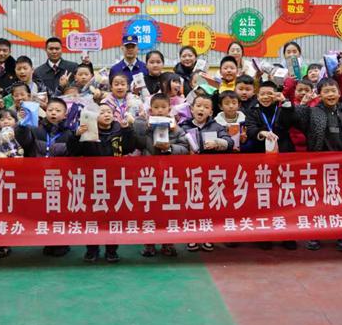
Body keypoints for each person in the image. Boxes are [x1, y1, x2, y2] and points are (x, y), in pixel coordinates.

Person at [280, 78, 342, 252]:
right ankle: (315, 235)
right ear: (319, 94)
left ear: (339, 93)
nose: (330, 95)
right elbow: (292, 120)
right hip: (319, 164)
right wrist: (303, 104)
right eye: (326, 91)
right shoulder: (312, 112)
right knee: (318, 201)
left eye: (333, 91)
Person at [69, 103, 136, 263]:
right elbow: (73, 151)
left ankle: (111, 250)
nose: (106, 114)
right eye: (102, 112)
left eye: (109, 112)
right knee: (92, 217)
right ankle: (92, 249)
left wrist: (127, 130)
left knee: (113, 217)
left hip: (115, 182)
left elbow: (130, 148)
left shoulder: (119, 130)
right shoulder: (87, 131)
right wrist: (76, 136)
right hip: (92, 182)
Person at [15, 98, 73, 257]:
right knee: (44, 210)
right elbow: (24, 142)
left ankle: (61, 243)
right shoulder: (35, 129)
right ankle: (48, 240)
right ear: (45, 112)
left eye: (58, 110)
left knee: (60, 211)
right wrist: (21, 126)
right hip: (38, 177)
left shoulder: (69, 133)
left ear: (65, 114)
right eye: (50, 110)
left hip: (60, 179)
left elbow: (73, 154)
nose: (53, 113)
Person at [134, 93, 189, 258]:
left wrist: (169, 148)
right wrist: (142, 124)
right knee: (149, 210)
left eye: (163, 107)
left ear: (169, 109)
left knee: (168, 210)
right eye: (156, 107)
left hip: (169, 176)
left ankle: (168, 243)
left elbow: (185, 149)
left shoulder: (177, 129)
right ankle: (149, 243)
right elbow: (137, 141)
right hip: (149, 176)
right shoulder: (145, 127)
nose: (159, 110)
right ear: (150, 110)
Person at [180, 94, 233, 252]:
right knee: (191, 205)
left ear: (211, 112)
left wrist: (218, 143)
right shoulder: (183, 126)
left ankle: (208, 235)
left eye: (206, 107)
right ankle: (192, 236)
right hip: (190, 174)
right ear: (192, 109)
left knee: (209, 205)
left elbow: (229, 142)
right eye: (198, 106)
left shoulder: (217, 126)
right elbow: (176, 144)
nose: (201, 109)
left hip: (210, 175)